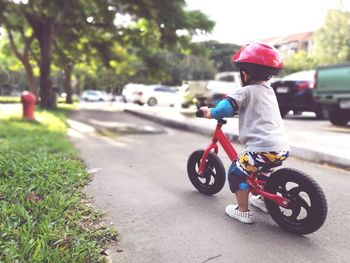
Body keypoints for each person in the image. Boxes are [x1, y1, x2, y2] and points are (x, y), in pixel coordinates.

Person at [199, 42, 290, 224]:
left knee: (236, 172)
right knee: (264, 172)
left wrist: (209, 112)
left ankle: (243, 211)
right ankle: (264, 201)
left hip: (261, 149)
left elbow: (224, 108)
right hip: (280, 148)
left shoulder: (245, 92)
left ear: (245, 73)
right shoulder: (269, 91)